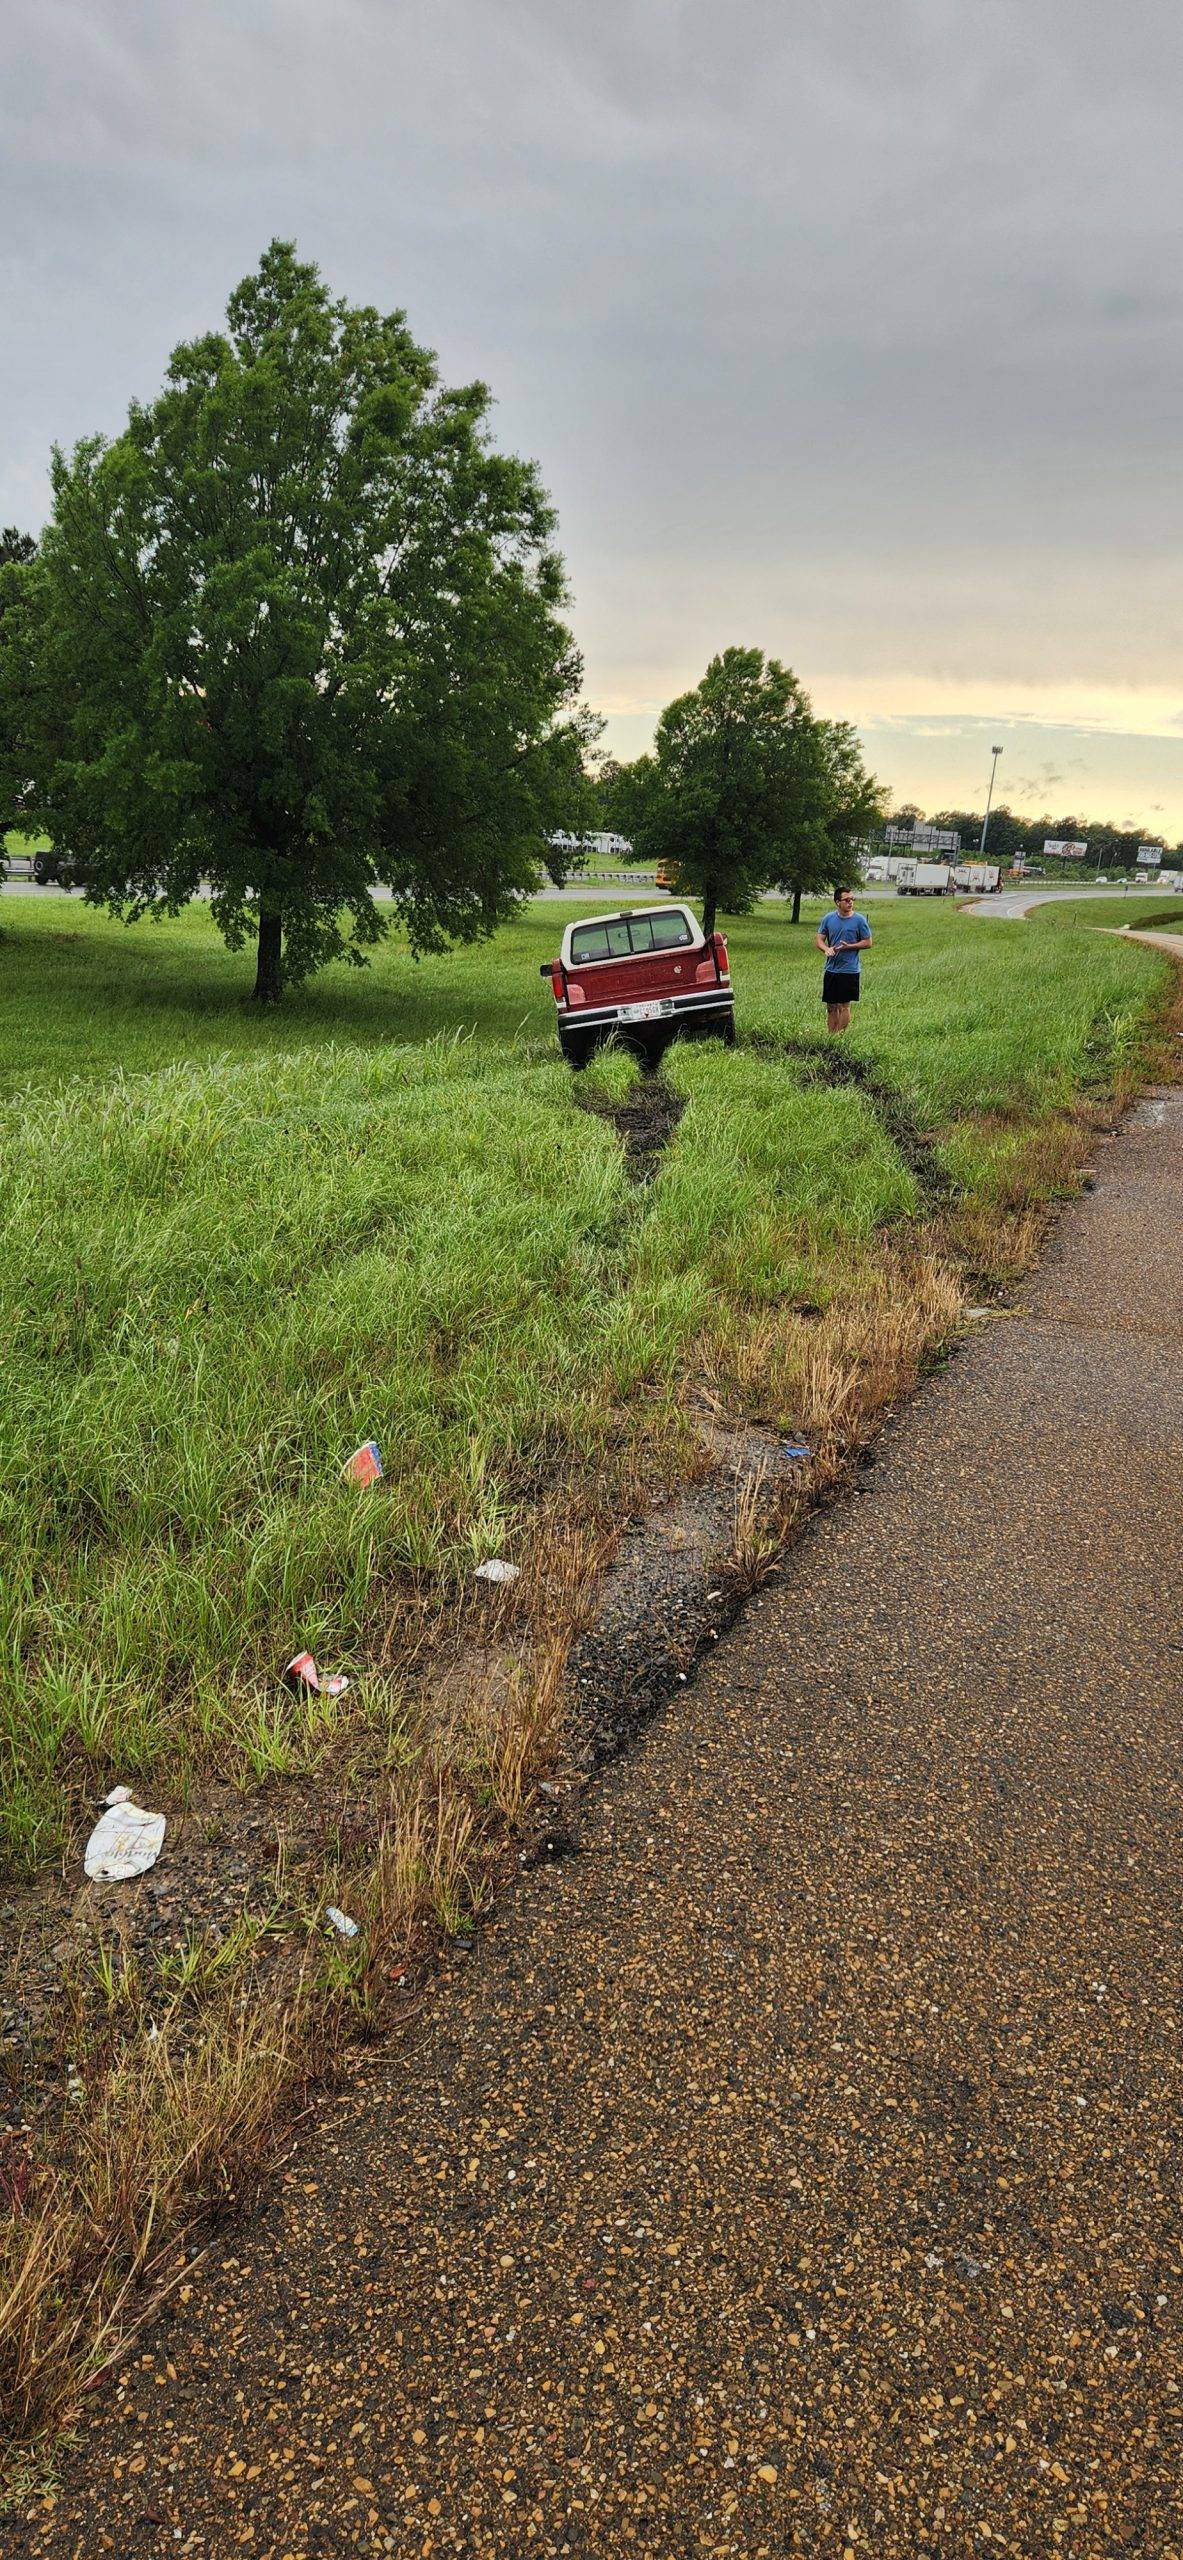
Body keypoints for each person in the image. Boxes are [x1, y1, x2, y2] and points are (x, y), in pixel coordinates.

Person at [816, 885, 872, 1034]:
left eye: (852, 899)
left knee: (844, 1006)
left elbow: (868, 942)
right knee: (831, 1007)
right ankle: (831, 1036)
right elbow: (819, 940)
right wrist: (826, 949)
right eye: (846, 900)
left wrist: (849, 947)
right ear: (837, 902)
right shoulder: (828, 918)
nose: (850, 902)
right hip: (831, 969)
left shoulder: (859, 920)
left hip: (850, 970)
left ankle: (840, 1038)